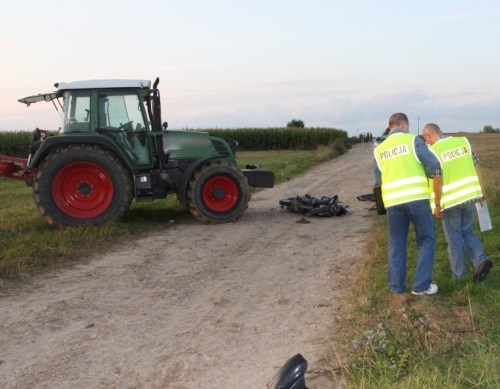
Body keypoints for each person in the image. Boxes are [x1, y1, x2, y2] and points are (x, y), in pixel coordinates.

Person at [373, 113, 442, 295]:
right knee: (426, 239)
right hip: (417, 198)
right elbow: (434, 164)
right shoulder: (412, 141)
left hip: (393, 203)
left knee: (396, 243)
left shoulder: (379, 149)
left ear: (390, 126)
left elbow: (378, 182)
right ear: (404, 124)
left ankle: (396, 288)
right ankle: (421, 286)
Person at [423, 123, 493, 282]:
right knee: (467, 231)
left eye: (426, 139)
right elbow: (478, 166)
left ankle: (459, 275)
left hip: (451, 201)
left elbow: (438, 179)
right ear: (440, 131)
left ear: (428, 136)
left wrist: (437, 205)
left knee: (453, 239)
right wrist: (482, 191)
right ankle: (481, 260)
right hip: (469, 196)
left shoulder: (434, 151)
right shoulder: (463, 141)